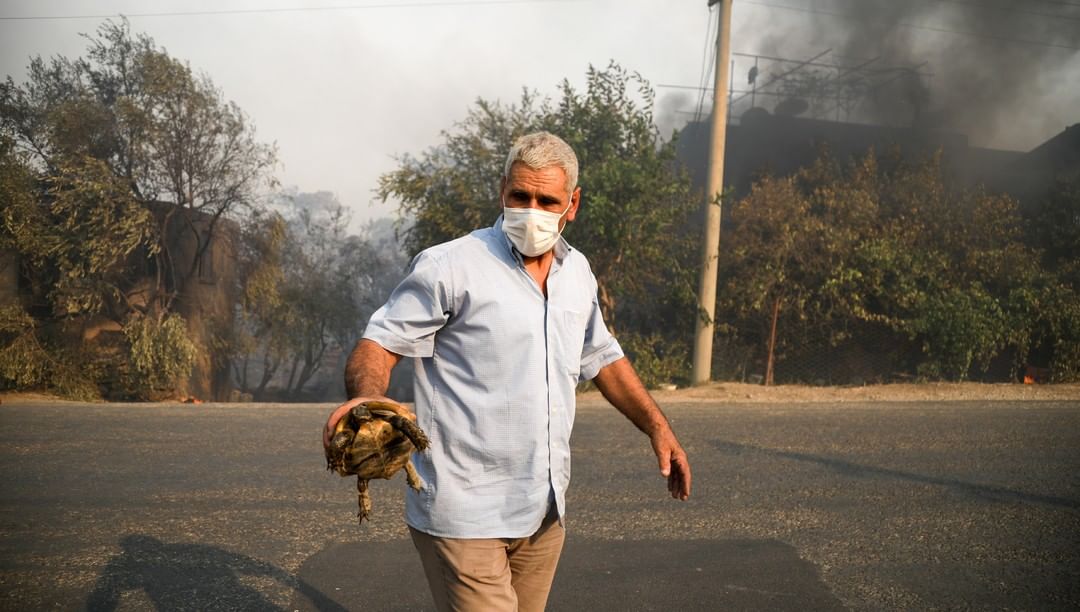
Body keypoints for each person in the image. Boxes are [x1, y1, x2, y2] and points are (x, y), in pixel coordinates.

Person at [322, 131, 691, 612]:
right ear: (503, 191)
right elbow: (380, 344)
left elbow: (601, 356)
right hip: (464, 510)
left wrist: (658, 428)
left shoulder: (577, 273)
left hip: (543, 509)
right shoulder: (450, 267)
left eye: (547, 199)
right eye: (520, 195)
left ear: (572, 204)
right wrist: (366, 401)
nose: (531, 209)